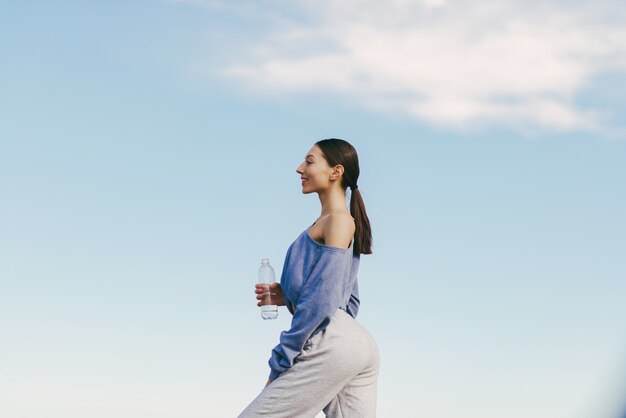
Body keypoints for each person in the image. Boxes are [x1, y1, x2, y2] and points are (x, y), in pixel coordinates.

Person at [238, 138, 380, 418]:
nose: (299, 168)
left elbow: (323, 301)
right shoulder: (334, 221)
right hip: (353, 341)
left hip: (333, 340)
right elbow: (346, 300)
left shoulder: (338, 221)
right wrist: (288, 296)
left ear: (335, 172)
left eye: (310, 161)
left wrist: (281, 362)